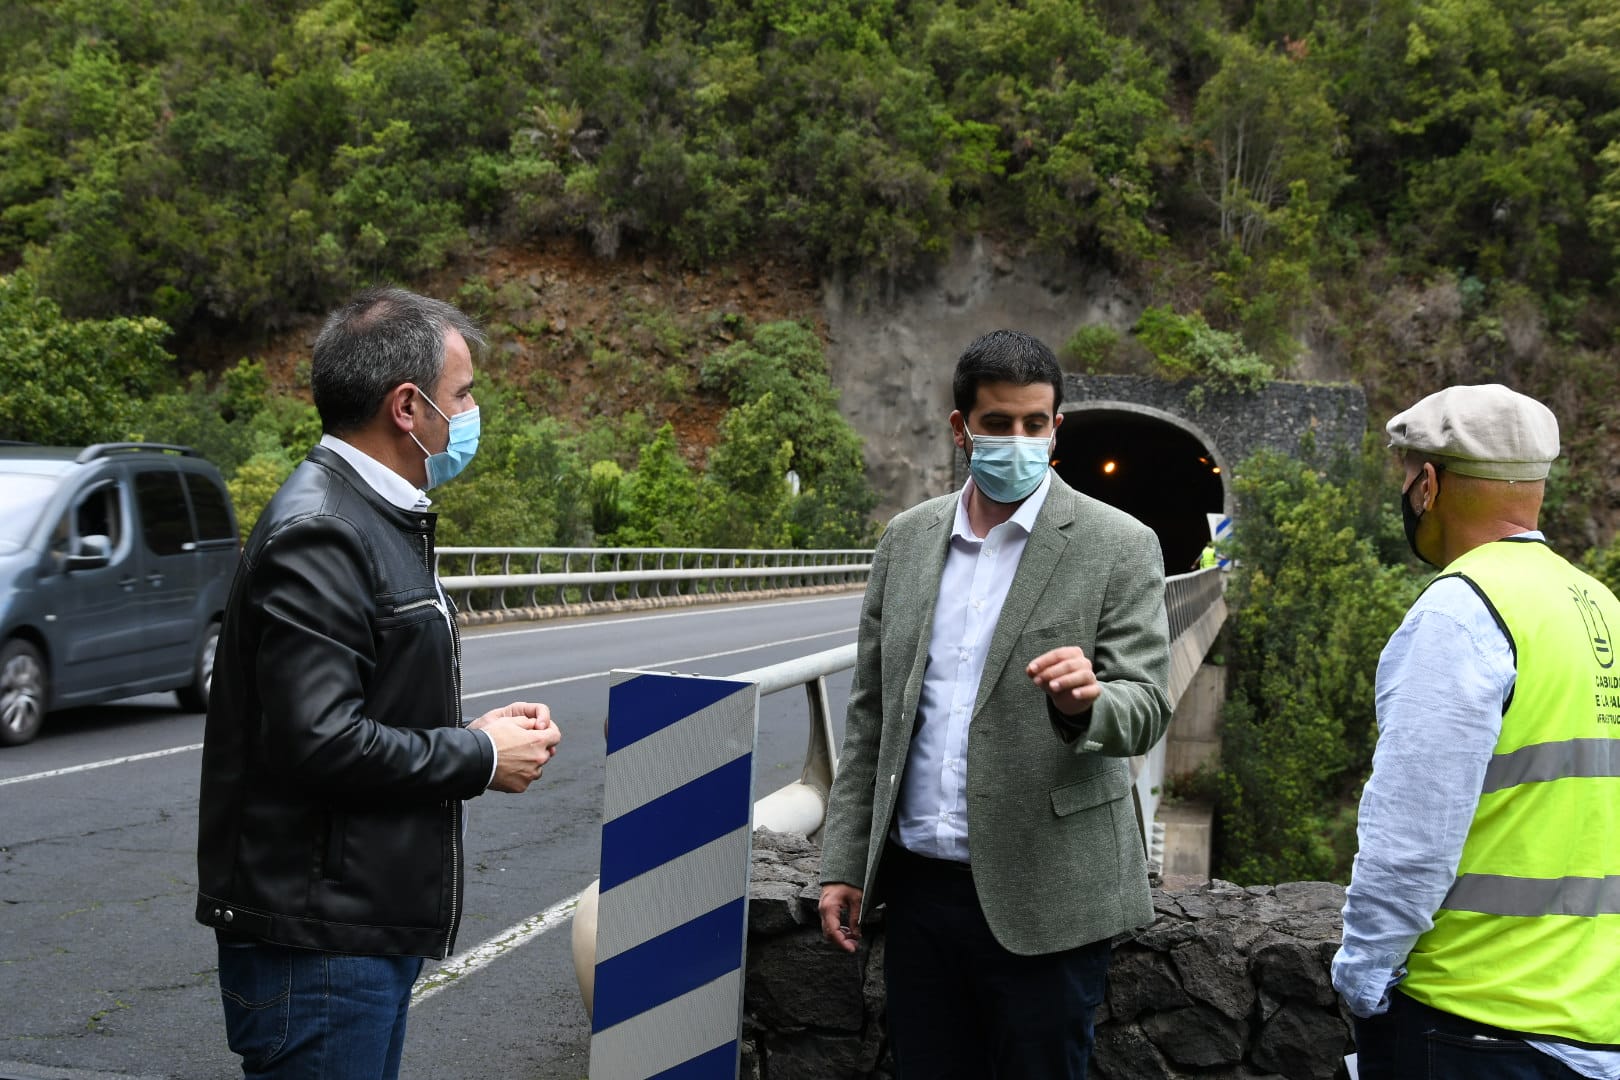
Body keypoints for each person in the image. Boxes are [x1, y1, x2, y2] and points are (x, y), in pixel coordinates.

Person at [195, 287, 562, 1080]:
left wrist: (477, 734)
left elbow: (363, 701)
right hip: (320, 944)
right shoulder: (325, 529)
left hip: (352, 929)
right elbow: (318, 741)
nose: (471, 413)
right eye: (461, 395)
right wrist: (479, 758)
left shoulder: (376, 515)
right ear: (407, 407)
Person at [817, 329, 1173, 1079]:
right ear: (962, 428)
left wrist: (1087, 703)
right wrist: (845, 861)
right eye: (998, 422)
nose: (1018, 439)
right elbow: (871, 715)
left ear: (1056, 429)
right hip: (920, 894)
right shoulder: (906, 541)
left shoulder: (1118, 544)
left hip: (1051, 896)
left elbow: (1147, 704)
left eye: (1034, 424)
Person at [1333, 383, 1620, 1079]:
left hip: (1473, 1025)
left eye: (1407, 477)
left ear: (1428, 486)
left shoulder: (1461, 612)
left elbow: (1412, 838)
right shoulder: (1600, 605)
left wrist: (1363, 978)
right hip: (1595, 1024)